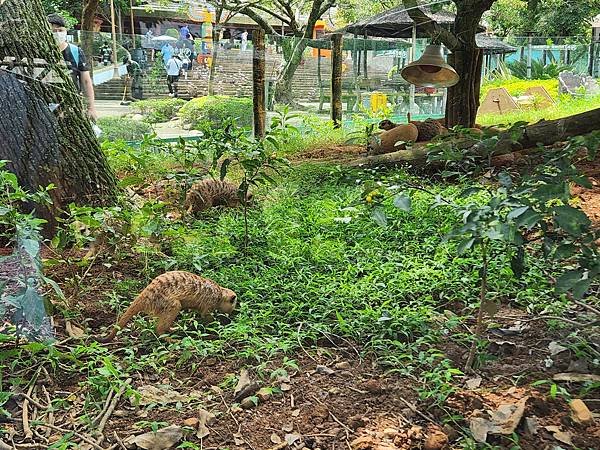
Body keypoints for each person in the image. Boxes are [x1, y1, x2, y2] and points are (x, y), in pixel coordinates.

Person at [47, 13, 97, 121]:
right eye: (53, 31)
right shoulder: (41, 52)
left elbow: (86, 81)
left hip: (71, 106)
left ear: (65, 31)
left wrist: (91, 107)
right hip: (45, 106)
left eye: (60, 30)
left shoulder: (76, 51)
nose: (57, 34)